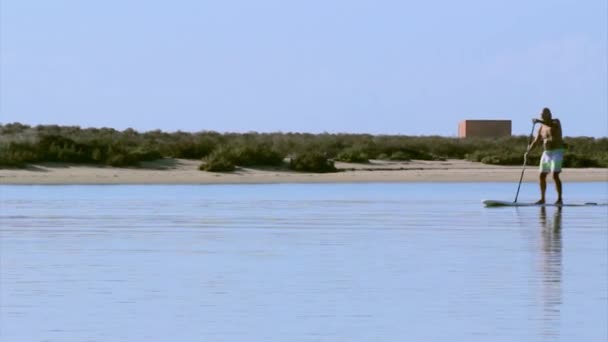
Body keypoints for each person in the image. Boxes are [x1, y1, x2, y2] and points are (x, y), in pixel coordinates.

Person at [527, 108, 565, 204]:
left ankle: (559, 199)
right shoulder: (541, 127)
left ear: (550, 114)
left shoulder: (556, 122)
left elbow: (551, 124)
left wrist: (539, 121)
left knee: (555, 174)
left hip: (557, 151)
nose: (543, 115)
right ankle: (542, 199)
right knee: (542, 175)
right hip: (546, 153)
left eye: (545, 113)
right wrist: (528, 151)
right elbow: (536, 141)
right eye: (542, 114)